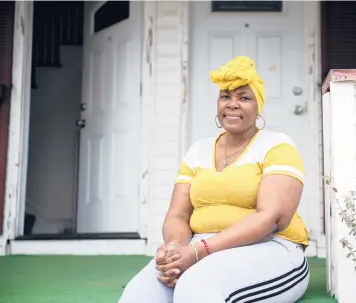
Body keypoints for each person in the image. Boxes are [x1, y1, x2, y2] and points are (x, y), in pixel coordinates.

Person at [118, 56, 310, 303]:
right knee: (139, 295)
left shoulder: (277, 145)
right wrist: (176, 249)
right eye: (225, 96)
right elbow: (178, 215)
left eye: (244, 97)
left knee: (195, 289)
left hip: (272, 247)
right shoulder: (198, 150)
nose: (232, 104)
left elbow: (270, 219)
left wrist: (199, 252)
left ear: (258, 106)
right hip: (199, 247)